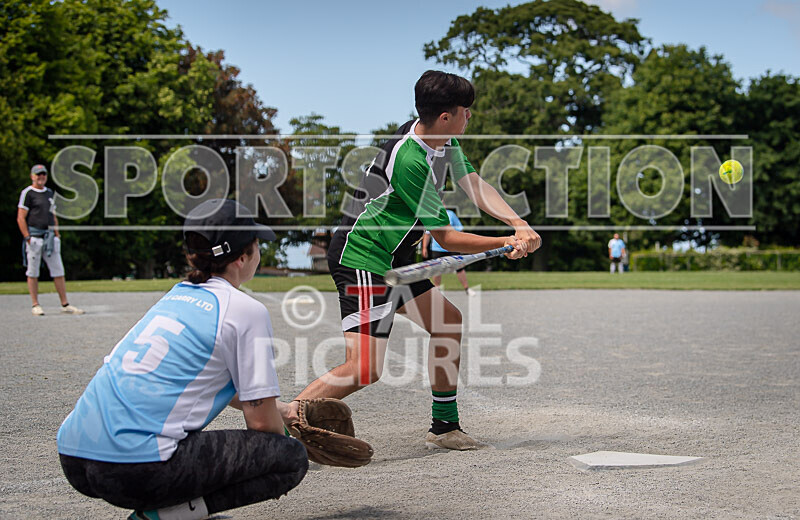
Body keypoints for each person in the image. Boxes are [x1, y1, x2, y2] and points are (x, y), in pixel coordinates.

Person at [288, 70, 541, 451]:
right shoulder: (411, 160)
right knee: (363, 369)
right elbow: (445, 237)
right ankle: (282, 423)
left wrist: (518, 223)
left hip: (395, 259)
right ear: (445, 116)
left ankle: (444, 428)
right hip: (365, 256)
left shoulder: (442, 140)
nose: (469, 116)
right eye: (465, 110)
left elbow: (473, 184)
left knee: (447, 321)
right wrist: (508, 240)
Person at [57, 199, 308, 520]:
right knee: (289, 459)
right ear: (243, 257)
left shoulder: (175, 295)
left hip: (74, 456)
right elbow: (262, 427)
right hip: (134, 471)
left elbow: (199, 381)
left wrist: (284, 410)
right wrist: (288, 436)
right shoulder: (245, 310)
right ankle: (160, 516)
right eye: (257, 244)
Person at [17, 164, 83, 315]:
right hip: (34, 236)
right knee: (33, 271)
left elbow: (53, 215)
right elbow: (21, 217)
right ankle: (35, 304)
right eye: (38, 174)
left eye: (43, 174)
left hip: (50, 237)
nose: (41, 177)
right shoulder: (28, 193)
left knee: (58, 270)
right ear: (32, 176)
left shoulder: (49, 193)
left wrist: (57, 234)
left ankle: (65, 303)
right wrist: (27, 236)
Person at [421, 209, 476, 295]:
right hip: (437, 248)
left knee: (459, 267)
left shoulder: (451, 214)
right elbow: (427, 234)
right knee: (437, 269)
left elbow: (460, 229)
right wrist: (424, 247)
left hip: (452, 247)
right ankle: (438, 290)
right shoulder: (432, 215)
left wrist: (463, 245)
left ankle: (467, 289)